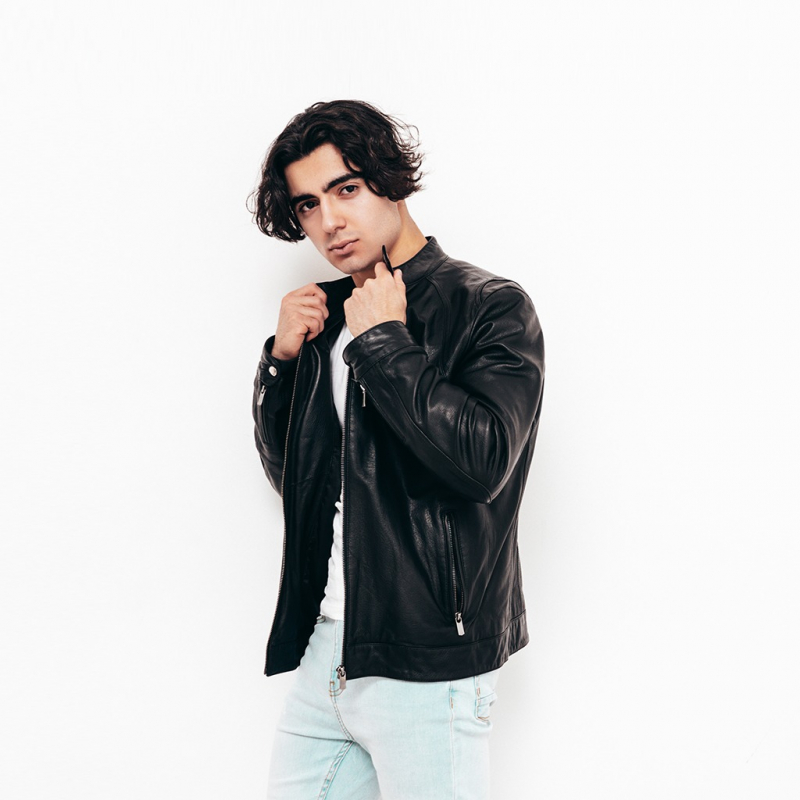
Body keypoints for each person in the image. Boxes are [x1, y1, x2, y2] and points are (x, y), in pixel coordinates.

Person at [250, 100, 545, 800]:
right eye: (309, 205)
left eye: (346, 188)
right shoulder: (325, 317)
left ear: (390, 179)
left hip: (429, 663)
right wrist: (282, 365)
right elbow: (297, 480)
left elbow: (482, 464)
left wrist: (385, 341)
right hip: (331, 649)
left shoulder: (490, 306)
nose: (329, 221)